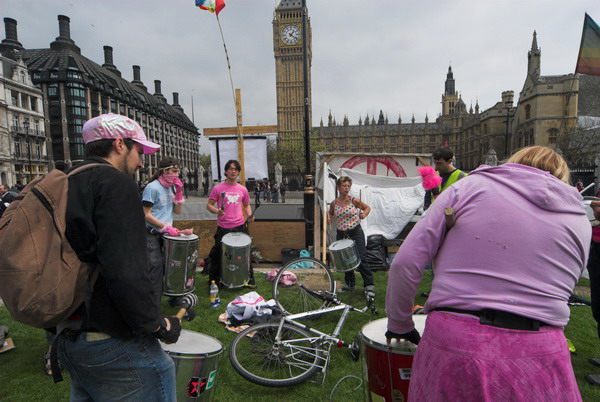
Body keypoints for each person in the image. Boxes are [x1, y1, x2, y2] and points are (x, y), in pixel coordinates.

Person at [385, 146, 590, 400]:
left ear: (512, 162)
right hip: (541, 348)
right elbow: (570, 278)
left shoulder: (469, 187)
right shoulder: (579, 217)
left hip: (458, 341)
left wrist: (400, 324)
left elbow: (405, 263)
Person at [55, 113, 181, 400]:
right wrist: (156, 324)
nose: (141, 162)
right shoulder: (114, 183)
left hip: (69, 332)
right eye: (139, 151)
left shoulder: (66, 181)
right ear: (120, 144)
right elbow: (125, 267)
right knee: (158, 372)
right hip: (111, 338)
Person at [142, 157, 188, 301]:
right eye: (174, 171)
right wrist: (164, 227)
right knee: (155, 267)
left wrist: (179, 192)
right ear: (165, 171)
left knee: (171, 265)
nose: (176, 175)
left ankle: (173, 296)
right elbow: (145, 214)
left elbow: (178, 211)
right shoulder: (152, 188)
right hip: (151, 234)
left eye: (178, 172)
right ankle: (153, 302)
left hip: (167, 234)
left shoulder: (173, 187)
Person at [205, 160, 256, 289]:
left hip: (239, 226)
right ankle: (214, 281)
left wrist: (249, 215)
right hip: (223, 227)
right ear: (226, 171)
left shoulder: (242, 189)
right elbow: (209, 205)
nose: (233, 171)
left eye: (236, 169)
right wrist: (217, 211)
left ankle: (248, 279)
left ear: (238, 172)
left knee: (245, 254)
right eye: (231, 169)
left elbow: (246, 205)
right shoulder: (218, 188)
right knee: (218, 254)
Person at [327, 176, 375, 296]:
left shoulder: (354, 201)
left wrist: (363, 214)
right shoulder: (334, 203)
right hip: (341, 234)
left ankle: (369, 286)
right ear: (338, 187)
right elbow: (330, 212)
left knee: (362, 258)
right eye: (344, 186)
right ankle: (350, 284)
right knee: (346, 261)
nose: (347, 188)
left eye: (348, 186)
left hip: (355, 233)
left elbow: (367, 207)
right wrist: (329, 217)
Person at [423, 146, 467, 210]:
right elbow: (428, 196)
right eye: (435, 163)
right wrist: (426, 211)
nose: (436, 168)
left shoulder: (463, 177)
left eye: (439, 164)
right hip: (434, 214)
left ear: (449, 161)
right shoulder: (434, 175)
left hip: (450, 217)